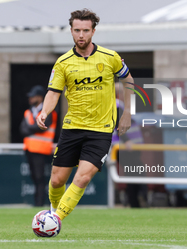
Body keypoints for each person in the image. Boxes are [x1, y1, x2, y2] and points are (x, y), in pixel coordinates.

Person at [37, 9, 134, 226]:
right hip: (72, 128)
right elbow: (53, 92)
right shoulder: (63, 62)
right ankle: (54, 210)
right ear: (71, 31)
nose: (81, 35)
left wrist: (127, 112)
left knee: (82, 177)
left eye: (86, 30)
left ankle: (55, 220)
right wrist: (45, 111)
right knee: (56, 180)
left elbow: (128, 81)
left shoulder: (110, 57)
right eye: (77, 30)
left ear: (93, 31)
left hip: (100, 130)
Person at [20, 85, 58, 206]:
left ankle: (40, 203)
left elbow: (40, 128)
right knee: (35, 177)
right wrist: (33, 128)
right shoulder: (29, 111)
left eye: (34, 96)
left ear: (41, 97)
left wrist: (31, 128)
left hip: (42, 149)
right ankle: (38, 202)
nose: (30, 98)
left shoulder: (49, 112)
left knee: (40, 177)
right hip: (30, 149)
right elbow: (22, 129)